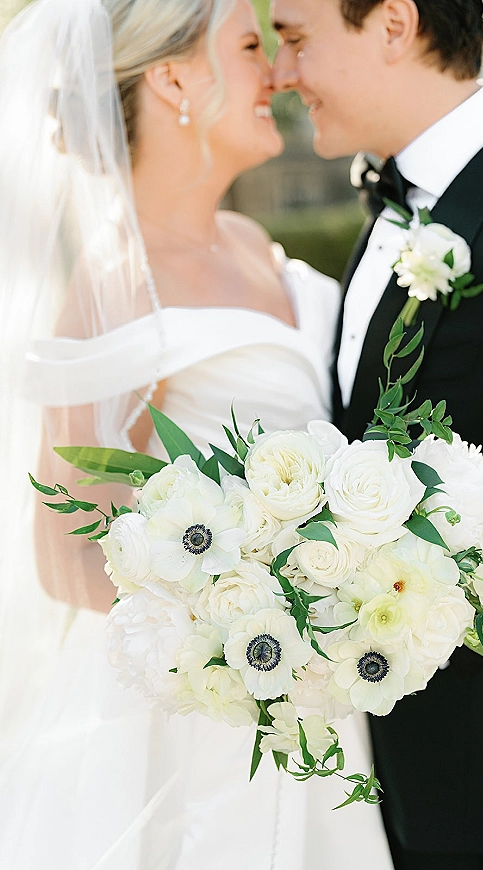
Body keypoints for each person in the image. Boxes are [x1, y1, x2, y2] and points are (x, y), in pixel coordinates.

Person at [0, 0, 393, 867]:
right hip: (196, 722)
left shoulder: (251, 240)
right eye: (251, 48)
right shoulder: (115, 282)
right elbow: (65, 555)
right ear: (174, 77)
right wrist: (246, 624)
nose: (277, 75)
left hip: (314, 694)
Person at [270, 0, 483, 867]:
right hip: (405, 780)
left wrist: (453, 585)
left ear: (394, 25)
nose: (284, 74)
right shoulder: (398, 204)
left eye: (296, 38)